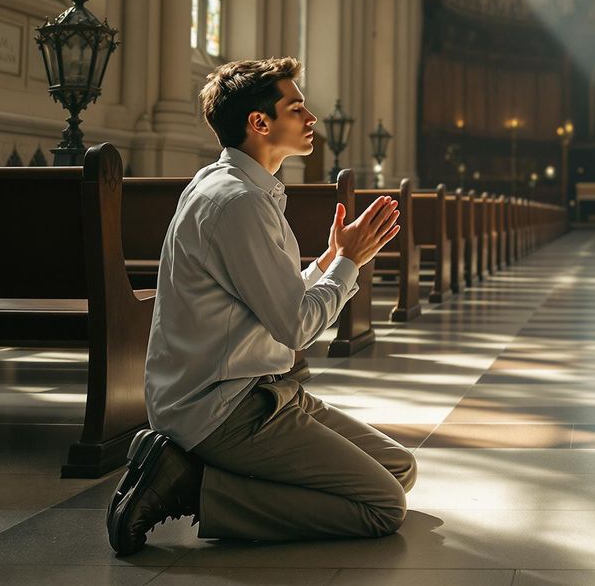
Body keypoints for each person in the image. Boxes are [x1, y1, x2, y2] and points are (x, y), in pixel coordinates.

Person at [107, 56, 412, 555]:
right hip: (221, 406)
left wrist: (333, 259)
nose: (310, 118)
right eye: (297, 108)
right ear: (259, 123)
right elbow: (296, 327)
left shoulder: (242, 189)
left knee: (400, 468)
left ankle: (206, 474)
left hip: (261, 388)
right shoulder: (238, 203)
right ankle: (193, 487)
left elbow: (273, 298)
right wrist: (350, 263)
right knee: (383, 506)